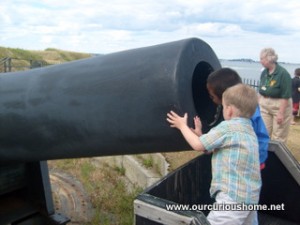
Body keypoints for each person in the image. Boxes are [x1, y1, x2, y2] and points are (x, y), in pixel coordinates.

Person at [167, 84, 261, 225]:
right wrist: (200, 134)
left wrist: (182, 126)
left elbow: (198, 145)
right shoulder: (248, 130)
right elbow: (211, 147)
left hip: (232, 198)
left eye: (223, 107)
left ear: (228, 110)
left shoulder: (227, 127)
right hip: (251, 197)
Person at [206, 68, 269, 169]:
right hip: (257, 157)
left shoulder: (240, 118)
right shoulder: (248, 106)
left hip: (247, 162)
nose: (212, 100)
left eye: (212, 97)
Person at [258, 48, 292, 143]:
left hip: (279, 104)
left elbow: (286, 95)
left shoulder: (283, 73)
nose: (260, 61)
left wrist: (281, 113)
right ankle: (266, 154)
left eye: (262, 59)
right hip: (265, 104)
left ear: (269, 59)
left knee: (278, 135)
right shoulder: (264, 72)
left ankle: (277, 156)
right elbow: (261, 90)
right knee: (264, 132)